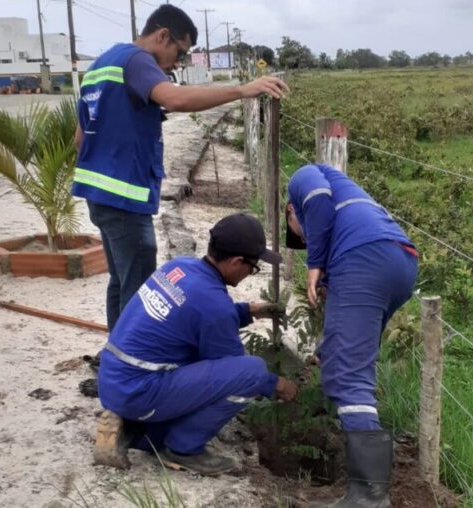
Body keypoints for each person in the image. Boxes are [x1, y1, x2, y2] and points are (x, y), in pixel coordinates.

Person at [73, 4, 288, 332]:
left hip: (98, 194)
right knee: (137, 288)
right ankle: (131, 367)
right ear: (162, 35)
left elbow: (80, 137)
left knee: (120, 280)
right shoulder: (137, 60)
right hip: (123, 197)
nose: (177, 63)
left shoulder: (101, 65)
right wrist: (243, 90)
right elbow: (174, 99)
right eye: (180, 51)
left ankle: (116, 355)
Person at [93, 213, 298, 476]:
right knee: (253, 372)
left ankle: (131, 430)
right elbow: (234, 370)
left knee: (190, 360)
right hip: (139, 391)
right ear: (237, 262)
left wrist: (249, 311)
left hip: (113, 379)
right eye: (253, 266)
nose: (251, 272)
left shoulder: (178, 268)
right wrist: (277, 384)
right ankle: (183, 448)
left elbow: (196, 315)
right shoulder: (214, 306)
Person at [285, 164, 419, 507]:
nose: (303, 240)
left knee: (347, 377)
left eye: (299, 236)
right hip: (399, 260)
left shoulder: (303, 178)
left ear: (290, 211)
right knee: (347, 360)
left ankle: (368, 498)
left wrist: (313, 262)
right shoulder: (353, 208)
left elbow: (317, 200)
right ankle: (367, 491)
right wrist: (326, 345)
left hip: (365, 256)